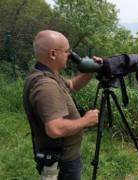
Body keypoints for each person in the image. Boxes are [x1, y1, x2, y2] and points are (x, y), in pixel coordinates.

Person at [23, 30, 101, 179]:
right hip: (62, 163)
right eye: (67, 52)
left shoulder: (48, 76)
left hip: (62, 157)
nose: (70, 56)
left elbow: (73, 86)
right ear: (53, 53)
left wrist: (90, 70)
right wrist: (86, 120)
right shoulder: (46, 86)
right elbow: (55, 129)